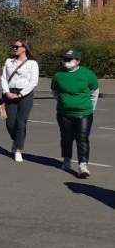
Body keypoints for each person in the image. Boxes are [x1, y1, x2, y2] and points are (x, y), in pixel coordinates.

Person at [51, 49, 99, 178]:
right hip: (64, 113)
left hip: (84, 112)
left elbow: (94, 92)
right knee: (66, 137)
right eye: (65, 59)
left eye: (69, 59)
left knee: (82, 137)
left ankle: (83, 164)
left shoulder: (88, 74)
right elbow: (55, 91)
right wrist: (64, 102)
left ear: (78, 61)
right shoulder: (58, 75)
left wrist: (90, 108)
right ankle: (67, 159)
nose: (66, 62)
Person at [1, 38, 39, 162]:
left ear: (24, 48)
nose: (14, 49)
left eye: (17, 47)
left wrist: (21, 94)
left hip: (25, 94)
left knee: (21, 123)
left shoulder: (32, 63)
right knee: (10, 123)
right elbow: (4, 78)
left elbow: (33, 81)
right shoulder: (9, 61)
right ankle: (16, 140)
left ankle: (18, 150)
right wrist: (7, 92)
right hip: (10, 93)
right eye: (13, 46)